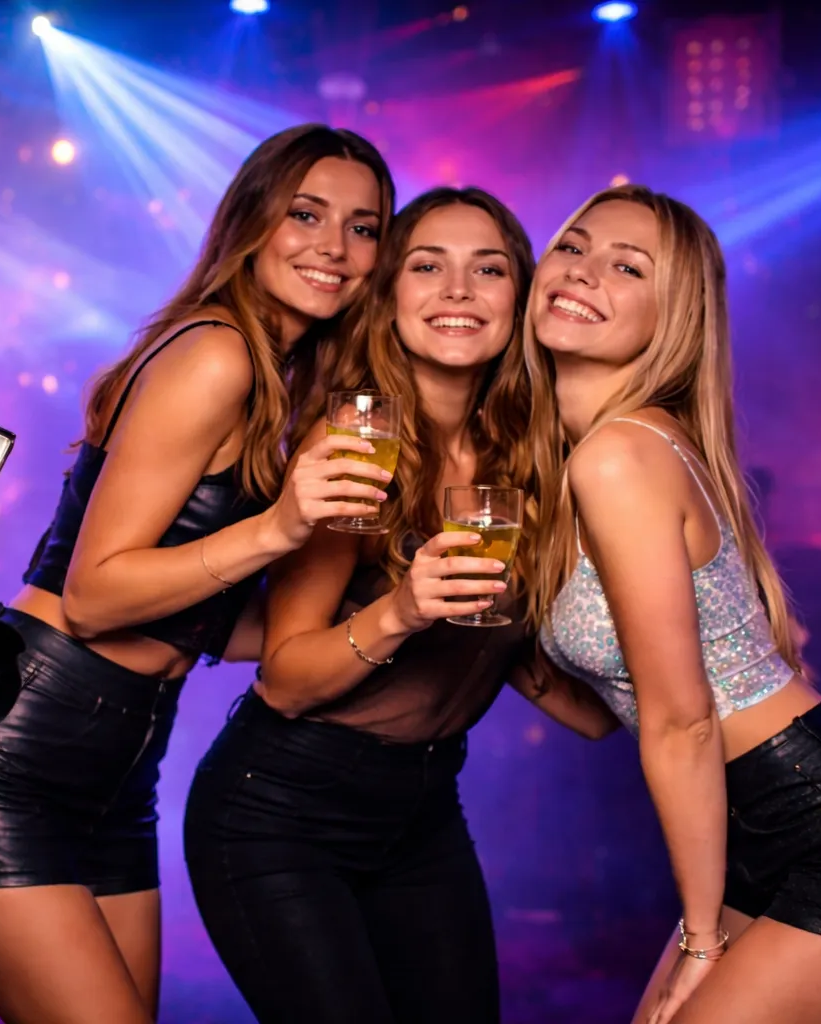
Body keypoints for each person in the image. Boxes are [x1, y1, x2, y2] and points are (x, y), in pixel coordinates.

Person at [0, 124, 396, 1024]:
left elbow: (190, 619)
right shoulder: (218, 354)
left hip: (119, 766)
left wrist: (387, 613)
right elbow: (95, 596)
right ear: (253, 219)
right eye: (306, 213)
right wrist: (282, 530)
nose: (334, 247)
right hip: (15, 748)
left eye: (364, 227)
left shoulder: (282, 381)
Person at [523, 185, 821, 1024]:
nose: (582, 273)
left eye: (626, 267)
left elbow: (683, 720)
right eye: (572, 247)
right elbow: (601, 715)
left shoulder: (620, 455)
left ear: (672, 318)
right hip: (752, 826)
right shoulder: (606, 451)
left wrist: (702, 940)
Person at [183, 187, 591, 1024]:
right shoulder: (355, 447)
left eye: (488, 269)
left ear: (521, 296)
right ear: (389, 295)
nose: (457, 291)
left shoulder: (535, 456)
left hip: (422, 808)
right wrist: (406, 609)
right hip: (280, 811)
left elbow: (558, 689)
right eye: (426, 266)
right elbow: (287, 681)